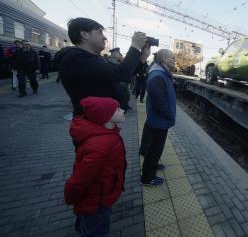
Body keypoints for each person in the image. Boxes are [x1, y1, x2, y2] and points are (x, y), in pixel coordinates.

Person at [56, 17, 151, 116]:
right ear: (84, 34)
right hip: (92, 124)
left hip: (103, 121)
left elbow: (125, 74)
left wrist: (142, 58)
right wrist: (135, 47)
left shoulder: (91, 57)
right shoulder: (75, 59)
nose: (104, 37)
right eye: (100, 32)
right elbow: (122, 73)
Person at [64, 96, 126, 236]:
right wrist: (71, 198)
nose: (123, 110)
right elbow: (80, 180)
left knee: (88, 223)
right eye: (117, 109)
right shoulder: (101, 145)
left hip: (100, 195)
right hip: (96, 201)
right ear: (106, 116)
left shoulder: (107, 133)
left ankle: (82, 226)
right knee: (96, 229)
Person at [141, 49, 176, 186]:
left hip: (159, 119)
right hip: (159, 120)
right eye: (172, 58)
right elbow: (159, 103)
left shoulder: (161, 73)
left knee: (156, 147)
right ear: (163, 60)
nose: (174, 60)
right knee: (154, 149)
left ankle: (153, 165)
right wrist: (169, 115)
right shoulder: (158, 75)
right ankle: (147, 177)